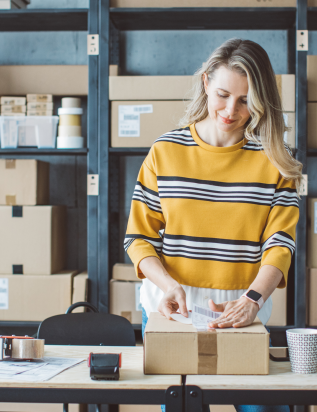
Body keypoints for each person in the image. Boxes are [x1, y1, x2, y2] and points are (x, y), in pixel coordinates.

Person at [125, 38, 302, 412]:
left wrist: (253, 299)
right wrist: (168, 284)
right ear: (205, 82)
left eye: (245, 100)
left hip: (243, 311)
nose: (230, 110)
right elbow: (138, 238)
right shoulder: (165, 152)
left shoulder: (275, 160)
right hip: (172, 310)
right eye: (223, 94)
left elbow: (281, 242)